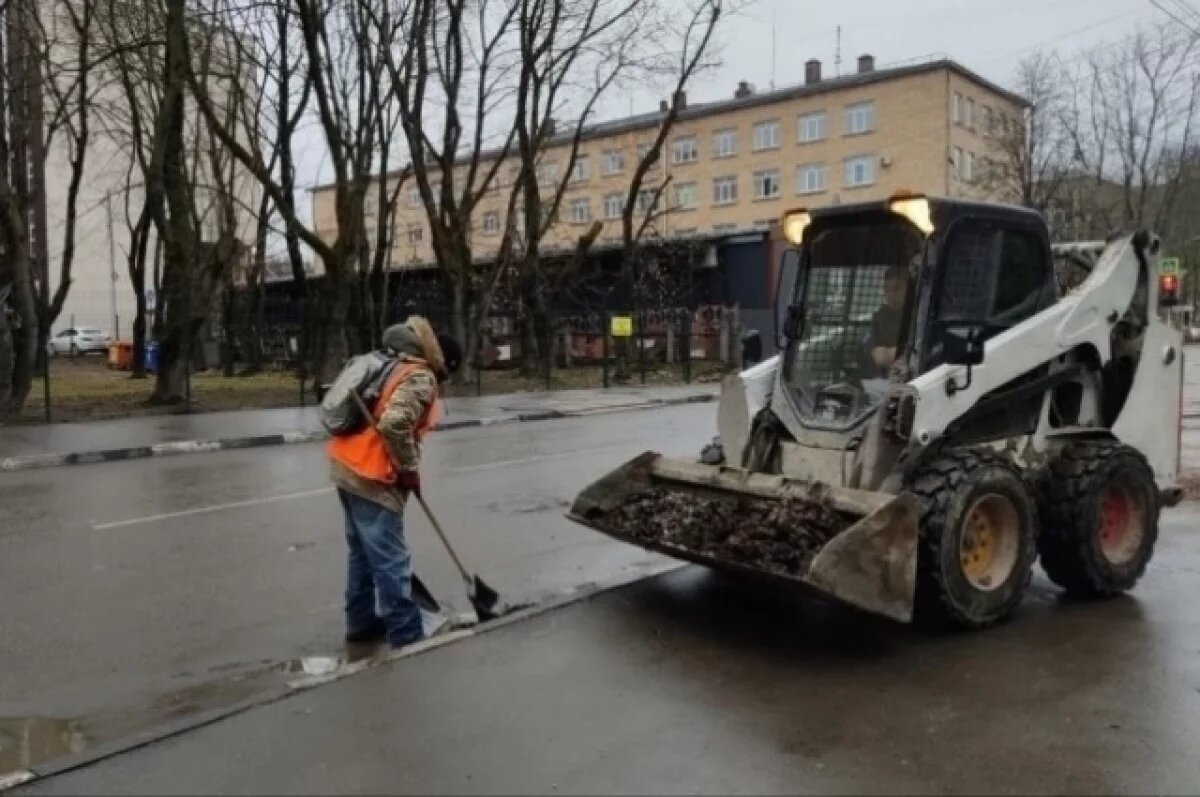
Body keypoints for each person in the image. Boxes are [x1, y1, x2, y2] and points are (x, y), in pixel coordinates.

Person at [327, 316, 463, 648]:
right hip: (373, 475)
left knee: (362, 554)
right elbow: (394, 423)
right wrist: (409, 468)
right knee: (390, 558)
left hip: (346, 466)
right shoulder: (420, 376)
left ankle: (360, 623)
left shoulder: (391, 361)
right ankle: (406, 632)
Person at [862, 264, 909, 376]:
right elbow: (878, 355)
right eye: (887, 289)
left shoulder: (919, 316)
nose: (891, 294)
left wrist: (893, 353)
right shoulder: (879, 317)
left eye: (896, 289)